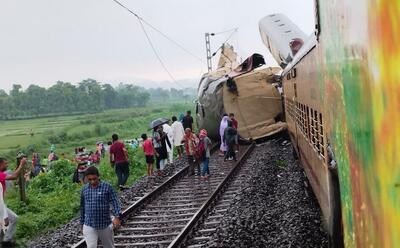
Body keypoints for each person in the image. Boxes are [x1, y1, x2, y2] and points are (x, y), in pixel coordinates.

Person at [80, 166, 121, 248]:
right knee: (91, 246)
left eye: (94, 179)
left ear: (98, 176)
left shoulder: (107, 187)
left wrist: (117, 217)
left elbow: (115, 202)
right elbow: (82, 207)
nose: (92, 181)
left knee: (109, 246)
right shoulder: (84, 189)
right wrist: (82, 223)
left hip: (104, 224)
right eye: (90, 179)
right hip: (89, 224)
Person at [0, 156, 26, 245]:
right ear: (0, 164)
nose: (7, 165)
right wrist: (21, 164)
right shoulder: (0, 175)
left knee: (4, 222)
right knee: (14, 218)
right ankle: (6, 240)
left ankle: (5, 239)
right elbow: (14, 176)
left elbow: (14, 174)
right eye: (5, 163)